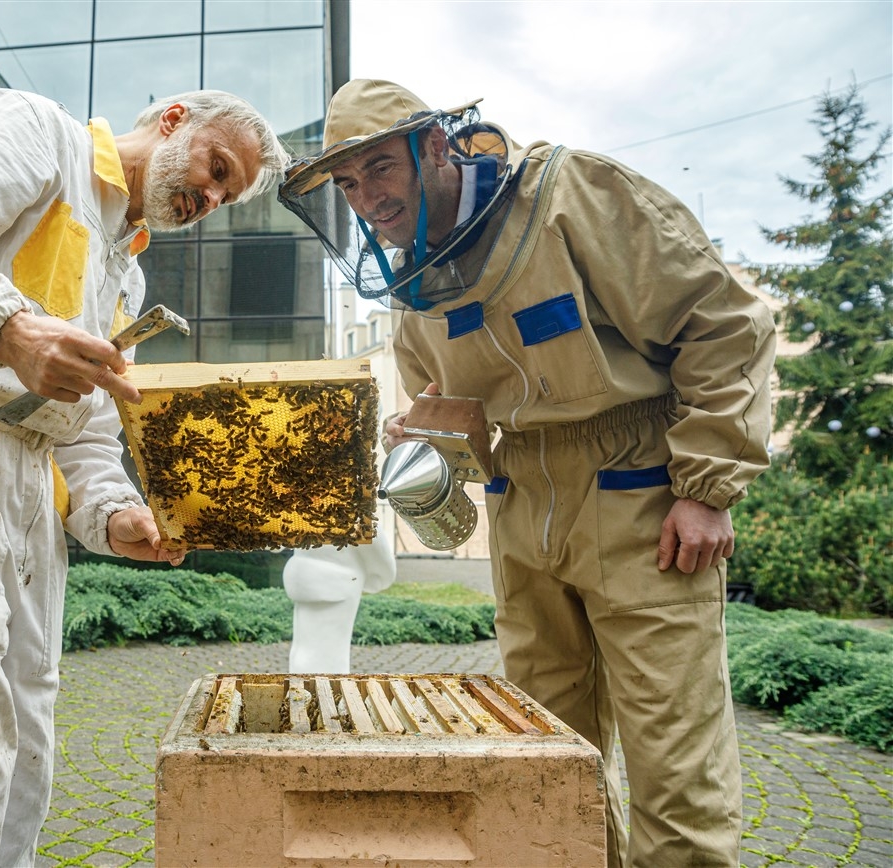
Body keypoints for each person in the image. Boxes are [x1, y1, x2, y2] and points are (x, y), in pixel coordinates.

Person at [280, 79, 776, 867]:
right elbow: (447, 407)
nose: (366, 197)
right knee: (546, 766)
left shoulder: (573, 198)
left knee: (674, 770)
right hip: (522, 504)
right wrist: (439, 442)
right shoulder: (418, 282)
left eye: (379, 169)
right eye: (347, 184)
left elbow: (724, 324)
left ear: (434, 147)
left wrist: (705, 487)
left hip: (641, 492)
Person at [0, 87, 285, 866]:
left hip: (26, 487)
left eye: (225, 195)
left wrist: (114, 512)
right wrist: (7, 329)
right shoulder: (34, 131)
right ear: (173, 118)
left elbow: (89, 427)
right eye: (216, 167)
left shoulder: (127, 276)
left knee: (23, 745)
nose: (209, 196)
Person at [283, 531, 396, 673]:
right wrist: (380, 578)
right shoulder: (354, 515)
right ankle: (325, 692)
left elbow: (273, 542)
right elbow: (379, 553)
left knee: (308, 649)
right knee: (329, 654)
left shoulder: (298, 512)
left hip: (305, 578)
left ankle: (303, 689)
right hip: (337, 582)